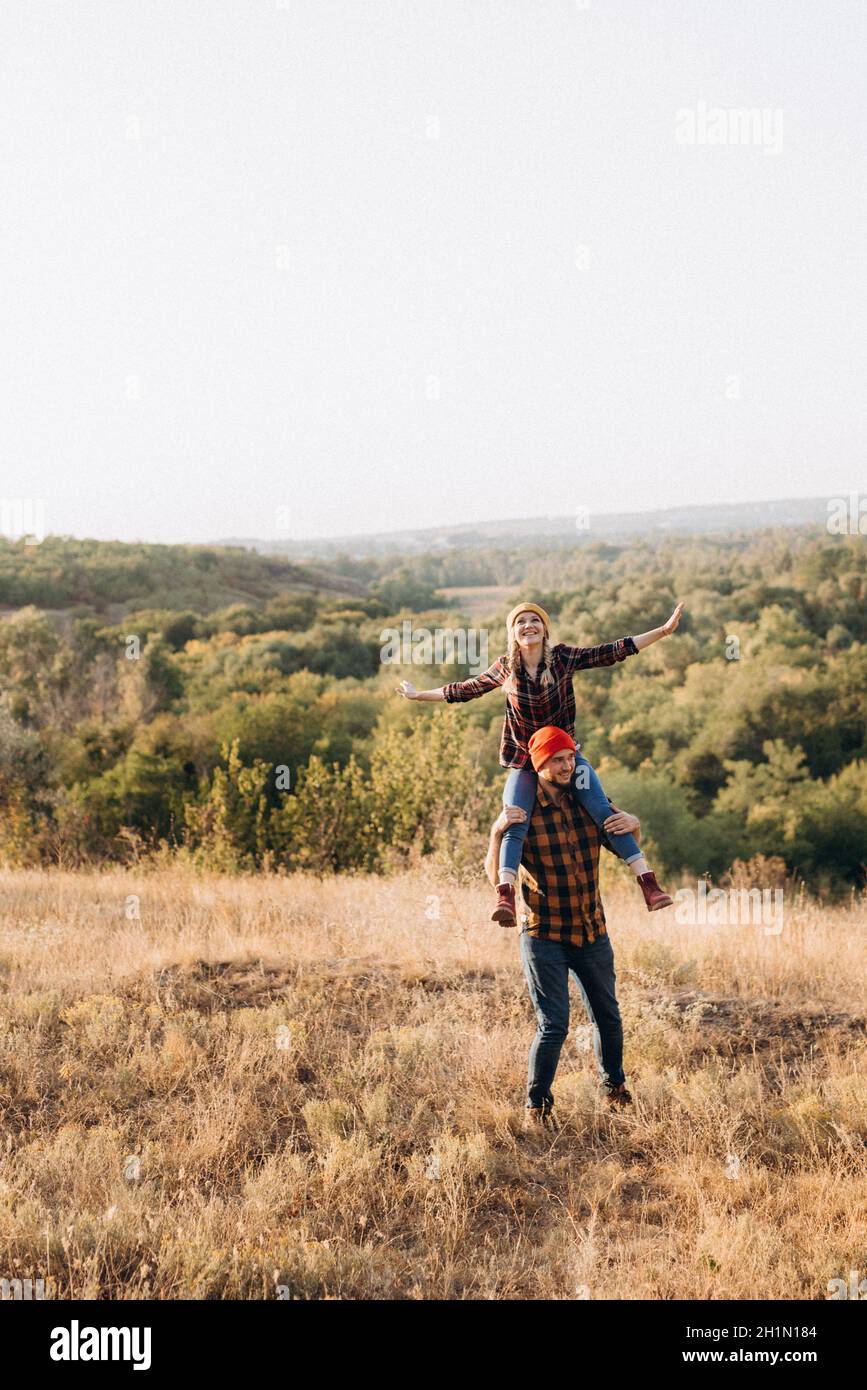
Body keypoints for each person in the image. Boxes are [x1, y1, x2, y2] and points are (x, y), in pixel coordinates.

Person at [397, 598, 682, 923]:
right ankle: (505, 894)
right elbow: (465, 689)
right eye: (521, 621)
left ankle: (649, 883)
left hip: (565, 756)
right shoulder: (505, 667)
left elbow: (612, 650)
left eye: (535, 620)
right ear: (513, 632)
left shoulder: (562, 658)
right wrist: (420, 695)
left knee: (604, 812)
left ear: (544, 628)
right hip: (526, 762)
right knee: (514, 819)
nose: (528, 625)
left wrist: (662, 631)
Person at [484, 724, 638, 1127]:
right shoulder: (522, 812)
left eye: (571, 757)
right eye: (558, 759)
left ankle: (615, 1089)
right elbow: (496, 872)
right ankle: (537, 1106)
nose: (568, 765)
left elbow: (623, 841)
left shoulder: (590, 802)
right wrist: (495, 833)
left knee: (608, 1016)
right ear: (539, 765)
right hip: (543, 933)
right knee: (554, 1026)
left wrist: (634, 822)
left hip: (591, 929)